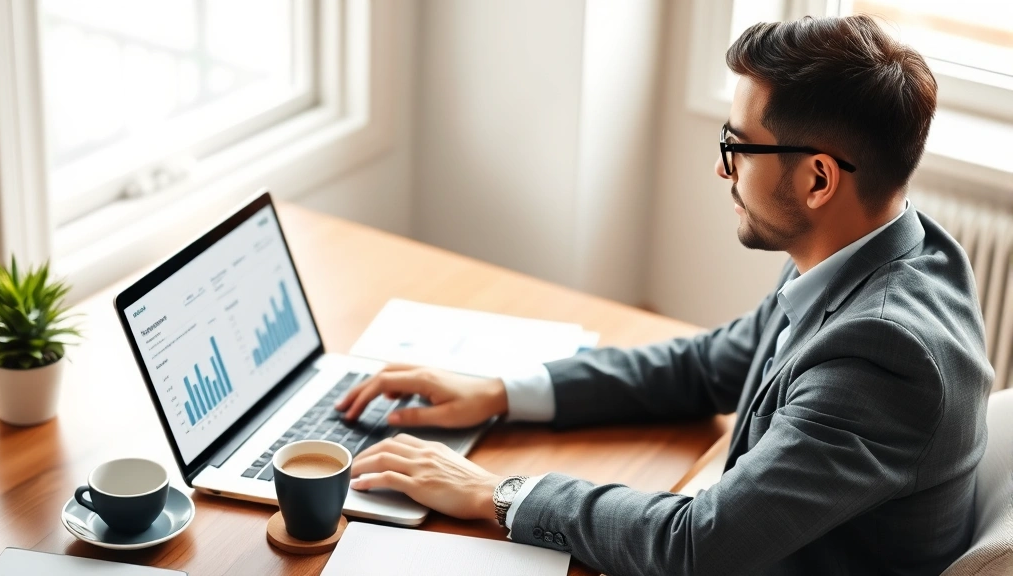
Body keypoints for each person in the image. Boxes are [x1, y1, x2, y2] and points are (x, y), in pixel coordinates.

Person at [335, 14, 993, 576]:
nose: (720, 167)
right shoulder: (880, 248)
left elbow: (696, 544)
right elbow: (709, 365)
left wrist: (499, 495)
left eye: (737, 145)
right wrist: (501, 393)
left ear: (819, 179)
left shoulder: (882, 357)